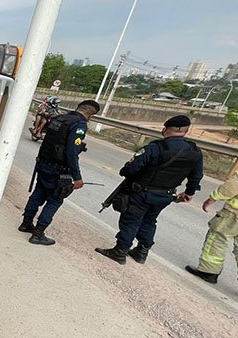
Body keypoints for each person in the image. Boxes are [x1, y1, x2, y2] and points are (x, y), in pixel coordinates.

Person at [95, 115, 204, 264]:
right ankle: (141, 252)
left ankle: (120, 252)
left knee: (131, 221)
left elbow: (131, 169)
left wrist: (125, 171)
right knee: (149, 221)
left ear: (164, 129)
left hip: (142, 193)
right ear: (186, 131)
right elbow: (196, 176)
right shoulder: (195, 151)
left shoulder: (155, 147)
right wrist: (189, 193)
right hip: (166, 195)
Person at [20, 99, 101, 245]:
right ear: (91, 114)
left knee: (38, 194)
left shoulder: (59, 118)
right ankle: (38, 234)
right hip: (59, 170)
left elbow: (47, 142)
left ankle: (26, 223)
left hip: (44, 163)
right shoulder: (79, 124)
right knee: (55, 200)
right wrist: (77, 177)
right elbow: (72, 152)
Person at [185, 171, 238, 284]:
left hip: (233, 214)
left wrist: (212, 198)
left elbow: (232, 186)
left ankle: (208, 272)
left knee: (217, 239)